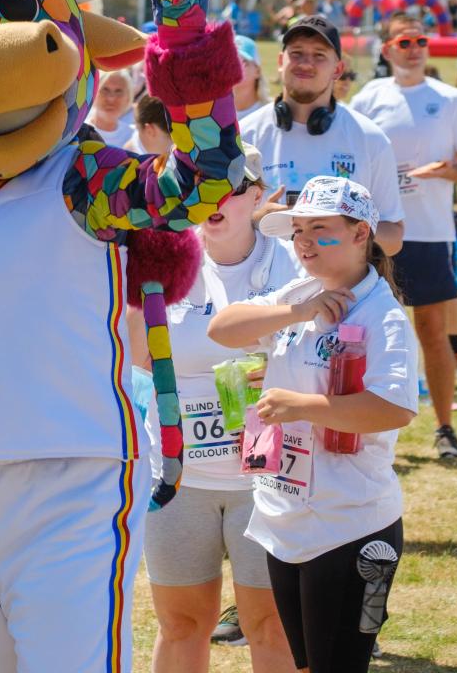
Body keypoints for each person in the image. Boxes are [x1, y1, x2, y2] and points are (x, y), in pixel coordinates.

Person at [208, 176, 418, 673]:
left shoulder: (383, 315)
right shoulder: (302, 291)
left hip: (350, 523)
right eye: (298, 230)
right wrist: (295, 311)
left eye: (320, 229)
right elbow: (221, 329)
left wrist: (302, 405)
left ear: (361, 233)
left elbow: (394, 408)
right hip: (285, 517)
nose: (303, 242)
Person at [132, 145, 295, 673]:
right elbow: (134, 353)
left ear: (257, 197)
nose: (213, 199)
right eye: (198, 187)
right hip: (178, 480)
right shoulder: (166, 259)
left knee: (270, 627)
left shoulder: (290, 263)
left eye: (229, 187)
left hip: (267, 479)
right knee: (182, 625)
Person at [350, 14, 457, 459]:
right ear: (387, 49)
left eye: (421, 41)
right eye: (404, 42)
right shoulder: (368, 98)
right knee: (362, 332)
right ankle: (357, 426)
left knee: (432, 331)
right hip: (374, 233)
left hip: (428, 232)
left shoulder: (451, 99)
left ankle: (445, 428)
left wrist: (447, 172)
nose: (414, 49)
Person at [239, 13, 404, 255]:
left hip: (342, 280)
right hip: (264, 278)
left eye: (319, 55)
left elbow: (394, 237)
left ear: (338, 69)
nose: (306, 63)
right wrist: (255, 221)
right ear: (281, 61)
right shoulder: (244, 135)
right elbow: (212, 228)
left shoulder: (370, 139)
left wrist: (346, 229)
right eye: (297, 53)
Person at [86, 68, 136, 146]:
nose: (111, 98)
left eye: (118, 91)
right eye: (105, 90)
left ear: (128, 98)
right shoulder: (78, 131)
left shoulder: (135, 138)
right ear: (93, 93)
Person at [233, 35, 269, 118]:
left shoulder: (270, 113)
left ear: (257, 71)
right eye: (229, 61)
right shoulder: (213, 112)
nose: (234, 67)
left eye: (244, 62)